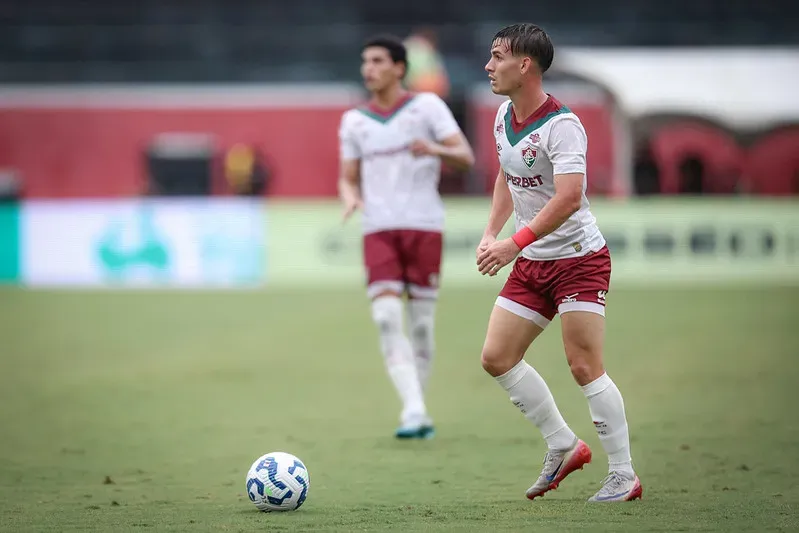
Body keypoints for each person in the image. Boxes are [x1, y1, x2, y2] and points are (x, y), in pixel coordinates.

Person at [476, 23, 643, 502]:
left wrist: (513, 243)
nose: (488, 66)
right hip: (532, 261)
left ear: (524, 64)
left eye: (496, 56)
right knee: (497, 357)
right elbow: (508, 177)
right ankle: (563, 445)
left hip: (578, 259)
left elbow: (570, 198)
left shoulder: (563, 125)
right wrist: (492, 233)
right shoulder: (503, 116)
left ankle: (624, 474)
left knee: (584, 365)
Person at [338, 35, 475, 439]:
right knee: (384, 317)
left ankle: (417, 407)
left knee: (420, 326)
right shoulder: (354, 121)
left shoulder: (427, 106)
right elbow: (347, 178)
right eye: (365, 61)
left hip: (424, 225)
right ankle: (414, 410)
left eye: (378, 60)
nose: (369, 68)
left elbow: (466, 158)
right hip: (378, 228)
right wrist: (350, 198)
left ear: (399, 68)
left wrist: (433, 148)